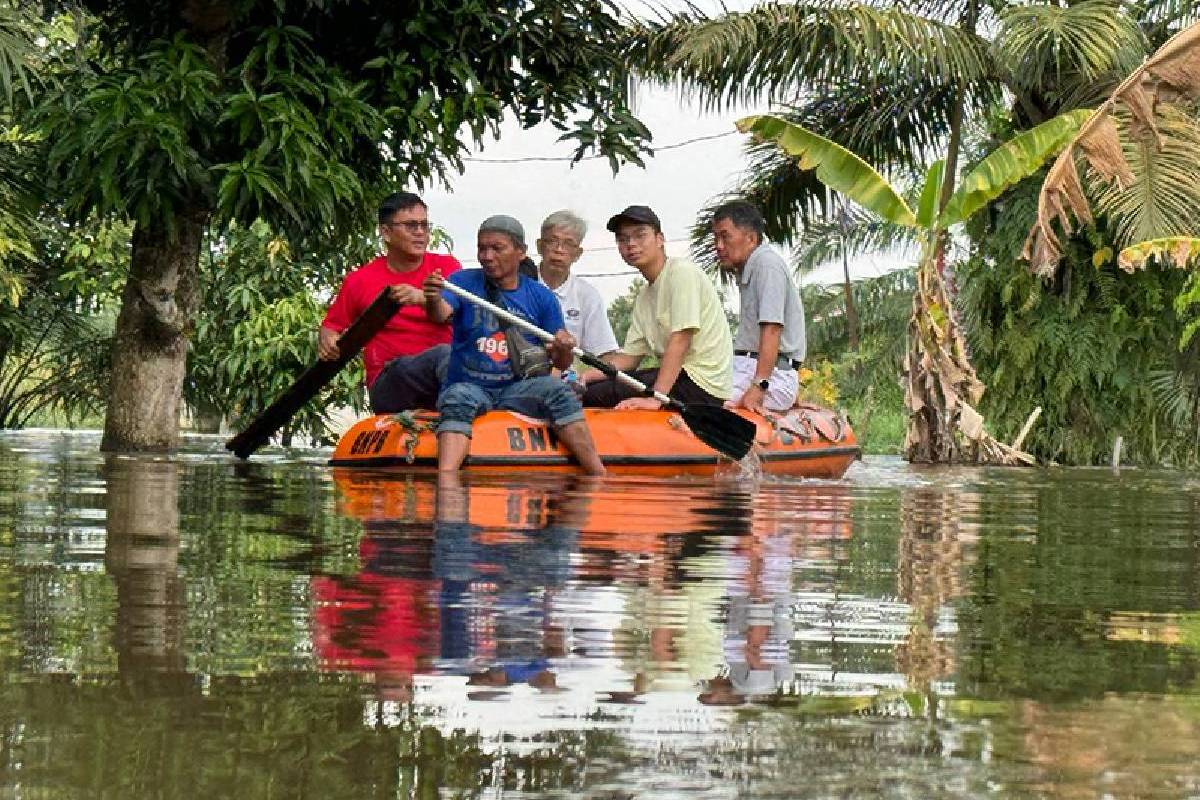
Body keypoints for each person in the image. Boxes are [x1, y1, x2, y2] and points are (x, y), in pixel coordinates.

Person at [422, 215, 607, 475]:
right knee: (456, 397)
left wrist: (564, 346)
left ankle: (597, 473)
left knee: (558, 391)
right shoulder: (463, 282)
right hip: (469, 386)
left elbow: (562, 363)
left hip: (518, 388)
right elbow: (439, 314)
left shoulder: (541, 296)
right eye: (481, 248)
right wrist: (431, 298)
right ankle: (447, 481)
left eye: (497, 248)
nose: (487, 256)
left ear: (520, 252)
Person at [318, 191, 460, 412]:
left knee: (463, 358)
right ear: (386, 232)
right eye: (411, 225)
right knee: (444, 354)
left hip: (445, 377)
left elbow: (462, 314)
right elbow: (330, 328)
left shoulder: (447, 268)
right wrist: (328, 341)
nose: (421, 232)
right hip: (390, 382)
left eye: (425, 225)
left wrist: (422, 298)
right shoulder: (360, 280)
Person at [579, 205, 732, 410]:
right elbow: (629, 358)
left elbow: (681, 339)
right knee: (592, 389)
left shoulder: (681, 273)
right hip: (678, 377)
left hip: (700, 383)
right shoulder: (644, 296)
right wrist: (587, 376)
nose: (631, 244)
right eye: (623, 239)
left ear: (660, 239)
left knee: (596, 396)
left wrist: (656, 398)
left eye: (640, 235)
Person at [712, 200, 805, 413]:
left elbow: (772, 329)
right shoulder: (752, 267)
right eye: (716, 237)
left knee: (708, 407)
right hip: (751, 369)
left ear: (751, 238)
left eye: (725, 236)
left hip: (768, 376)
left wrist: (759, 386)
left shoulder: (766, 265)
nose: (719, 246)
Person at [535, 210, 619, 359]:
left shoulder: (587, 296)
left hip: (566, 377)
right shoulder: (518, 284)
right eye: (552, 241)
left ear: (578, 254)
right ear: (540, 246)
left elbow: (605, 354)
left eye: (568, 244)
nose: (559, 250)